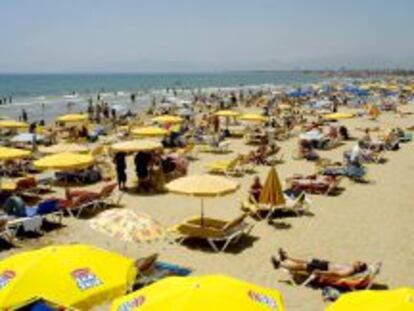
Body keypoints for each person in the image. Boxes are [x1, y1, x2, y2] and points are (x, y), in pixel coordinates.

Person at [271, 249, 368, 279]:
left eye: (359, 263)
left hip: (324, 269)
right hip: (325, 265)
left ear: (358, 268)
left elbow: (336, 274)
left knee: (303, 266)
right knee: (306, 260)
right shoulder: (351, 267)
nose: (357, 261)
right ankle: (286, 258)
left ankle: (279, 265)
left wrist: (320, 272)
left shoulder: (350, 270)